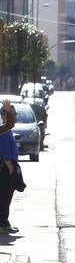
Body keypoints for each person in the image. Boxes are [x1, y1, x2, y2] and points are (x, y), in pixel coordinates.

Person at [0, 100, 20, 235]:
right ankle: (2, 224)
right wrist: (9, 165)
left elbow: (10, 124)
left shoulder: (4, 129)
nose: (15, 116)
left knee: (6, 197)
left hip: (7, 167)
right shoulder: (3, 131)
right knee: (4, 197)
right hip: (5, 169)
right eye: (13, 113)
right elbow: (4, 150)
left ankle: (4, 223)